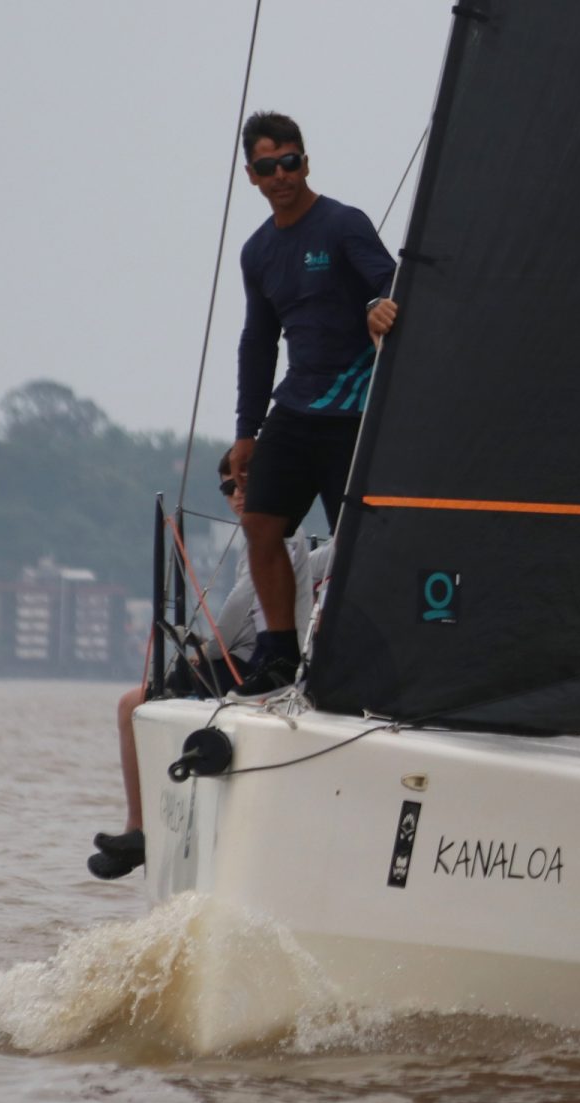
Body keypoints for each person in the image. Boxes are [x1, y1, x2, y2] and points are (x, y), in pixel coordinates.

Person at [89, 453, 332, 880]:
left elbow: (233, 617)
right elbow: (322, 561)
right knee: (139, 700)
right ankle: (143, 828)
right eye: (228, 487)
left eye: (245, 484)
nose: (237, 494)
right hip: (248, 661)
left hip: (253, 666)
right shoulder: (282, 541)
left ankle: (139, 828)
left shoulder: (277, 540)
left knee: (130, 705)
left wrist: (202, 647)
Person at [228, 110, 398, 695]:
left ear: (305, 161)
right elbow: (258, 341)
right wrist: (246, 430)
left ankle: (368, 658)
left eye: (289, 161)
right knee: (260, 523)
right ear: (251, 175)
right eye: (266, 167)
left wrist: (378, 305)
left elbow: (392, 282)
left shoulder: (343, 224)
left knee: (357, 543)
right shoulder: (257, 252)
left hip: (354, 411)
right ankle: (277, 651)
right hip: (295, 409)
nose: (280, 175)